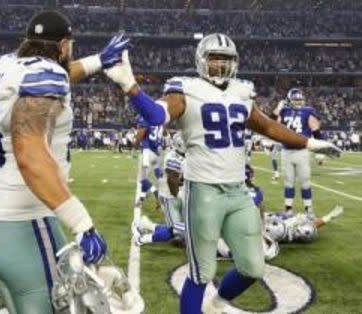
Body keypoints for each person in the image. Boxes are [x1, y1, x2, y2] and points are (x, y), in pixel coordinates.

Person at [103, 33, 341, 313]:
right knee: (200, 273)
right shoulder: (185, 89)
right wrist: (130, 86)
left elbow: (267, 127)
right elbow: (156, 115)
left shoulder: (241, 91)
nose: (219, 65)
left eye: (225, 59)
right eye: (214, 58)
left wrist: (311, 142)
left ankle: (217, 302)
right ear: (201, 61)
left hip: (238, 191)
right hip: (203, 191)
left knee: (253, 267)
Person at [0, 11, 128, 314]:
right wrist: (82, 223)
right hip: (23, 221)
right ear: (65, 45)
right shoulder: (47, 75)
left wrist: (99, 61)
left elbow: (58, 77)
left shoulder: (4, 66)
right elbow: (29, 155)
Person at [273, 88, 323, 216]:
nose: (298, 102)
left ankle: (308, 209)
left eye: (300, 99)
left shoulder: (308, 111)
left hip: (302, 151)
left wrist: (319, 150)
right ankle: (288, 209)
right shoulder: (284, 111)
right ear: (289, 100)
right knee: (288, 181)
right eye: (295, 100)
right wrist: (278, 109)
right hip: (287, 151)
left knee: (305, 181)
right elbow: (271, 123)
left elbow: (316, 130)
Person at [134, 131, 186, 246]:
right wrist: (182, 196)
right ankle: (144, 238)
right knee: (178, 233)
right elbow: (172, 184)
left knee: (185, 229)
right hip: (171, 196)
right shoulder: (174, 158)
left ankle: (147, 225)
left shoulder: (184, 156)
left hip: (181, 194)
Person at [264, 205, 343, 243]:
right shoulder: (298, 228)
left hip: (274, 227)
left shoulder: (284, 229)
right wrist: (329, 217)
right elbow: (314, 224)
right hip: (277, 226)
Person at [134, 114, 164, 205]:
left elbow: (141, 132)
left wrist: (134, 147)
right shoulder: (159, 120)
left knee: (142, 179)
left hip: (147, 151)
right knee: (156, 172)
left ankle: (157, 193)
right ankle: (142, 198)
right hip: (157, 151)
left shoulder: (144, 118)